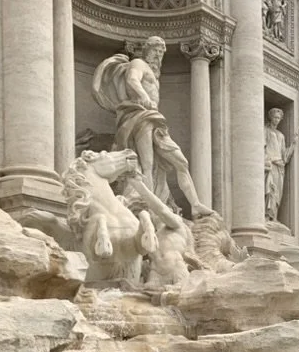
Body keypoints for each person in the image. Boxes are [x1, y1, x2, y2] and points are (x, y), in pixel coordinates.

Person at [92, 37, 214, 219]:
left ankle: (195, 204)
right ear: (147, 50)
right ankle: (147, 207)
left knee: (181, 161)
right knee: (147, 164)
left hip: (155, 120)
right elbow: (132, 80)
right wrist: (143, 95)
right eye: (156, 50)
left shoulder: (154, 74)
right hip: (141, 116)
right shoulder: (138, 63)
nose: (159, 55)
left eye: (161, 52)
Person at [264, 108, 296, 223]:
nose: (276, 120)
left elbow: (284, 155)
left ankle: (274, 217)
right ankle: (267, 215)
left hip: (279, 167)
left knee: (277, 192)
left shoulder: (281, 135)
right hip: (271, 164)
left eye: (278, 118)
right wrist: (270, 160)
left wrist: (292, 145)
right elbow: (262, 148)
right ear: (270, 117)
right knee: (270, 189)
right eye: (275, 117)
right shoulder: (265, 130)